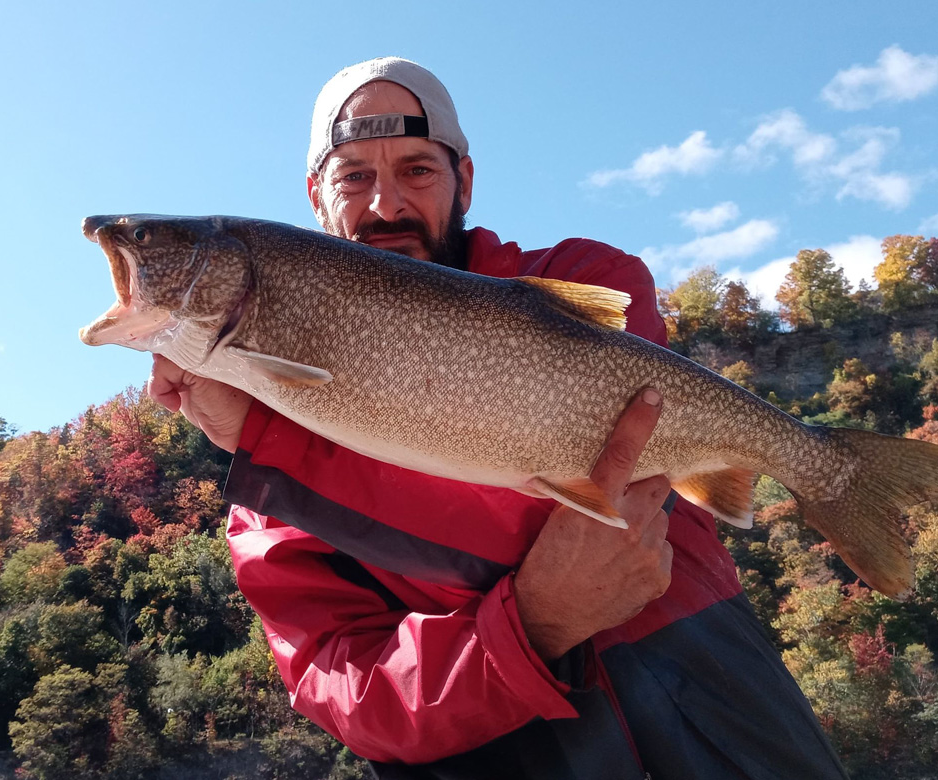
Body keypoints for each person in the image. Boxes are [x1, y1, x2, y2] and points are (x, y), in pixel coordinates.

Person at [149, 58, 849, 779]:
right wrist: (532, 626)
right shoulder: (270, 487)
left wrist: (273, 443)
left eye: (417, 169)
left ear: (465, 181)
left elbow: (561, 492)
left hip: (722, 700)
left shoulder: (586, 279)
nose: (386, 204)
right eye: (354, 176)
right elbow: (352, 695)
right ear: (316, 198)